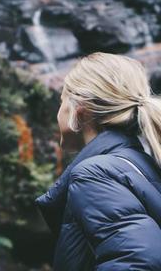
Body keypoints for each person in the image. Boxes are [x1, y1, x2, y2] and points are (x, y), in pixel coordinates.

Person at [35, 52, 161, 271]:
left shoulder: (95, 174)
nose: (59, 113)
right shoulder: (141, 164)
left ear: (79, 107)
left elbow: (138, 262)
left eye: (61, 101)